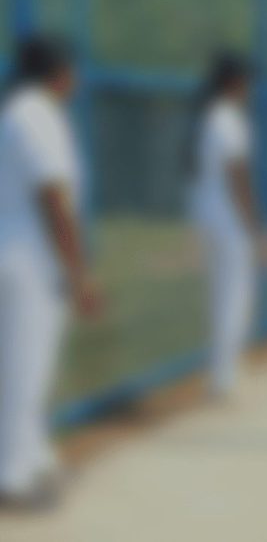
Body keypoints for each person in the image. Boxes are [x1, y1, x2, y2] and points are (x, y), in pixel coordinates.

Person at [0, 35, 101, 509]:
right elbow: (53, 198)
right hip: (31, 259)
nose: (76, 78)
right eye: (73, 68)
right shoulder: (35, 114)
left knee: (31, 367)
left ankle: (34, 459)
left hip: (23, 253)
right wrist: (80, 272)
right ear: (59, 72)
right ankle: (13, 478)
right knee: (24, 370)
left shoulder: (20, 111)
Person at [187, 52, 264, 399]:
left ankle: (222, 372)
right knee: (235, 296)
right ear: (235, 82)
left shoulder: (208, 116)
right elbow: (238, 176)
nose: (250, 88)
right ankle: (225, 376)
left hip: (209, 216)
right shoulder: (229, 118)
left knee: (221, 296)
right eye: (247, 81)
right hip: (229, 220)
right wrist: (254, 225)